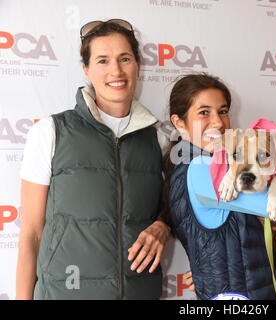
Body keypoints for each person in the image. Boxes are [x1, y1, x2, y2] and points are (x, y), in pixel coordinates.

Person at [16, 19, 170, 300]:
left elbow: (175, 206)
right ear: (86, 70)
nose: (116, 70)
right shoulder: (50, 132)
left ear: (138, 65)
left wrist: (164, 225)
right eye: (102, 60)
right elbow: (31, 234)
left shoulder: (157, 141)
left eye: (125, 58)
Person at [164, 73, 276, 300]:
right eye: (204, 113)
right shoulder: (200, 169)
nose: (218, 123)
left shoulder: (216, 163)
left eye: (223, 111)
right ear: (178, 123)